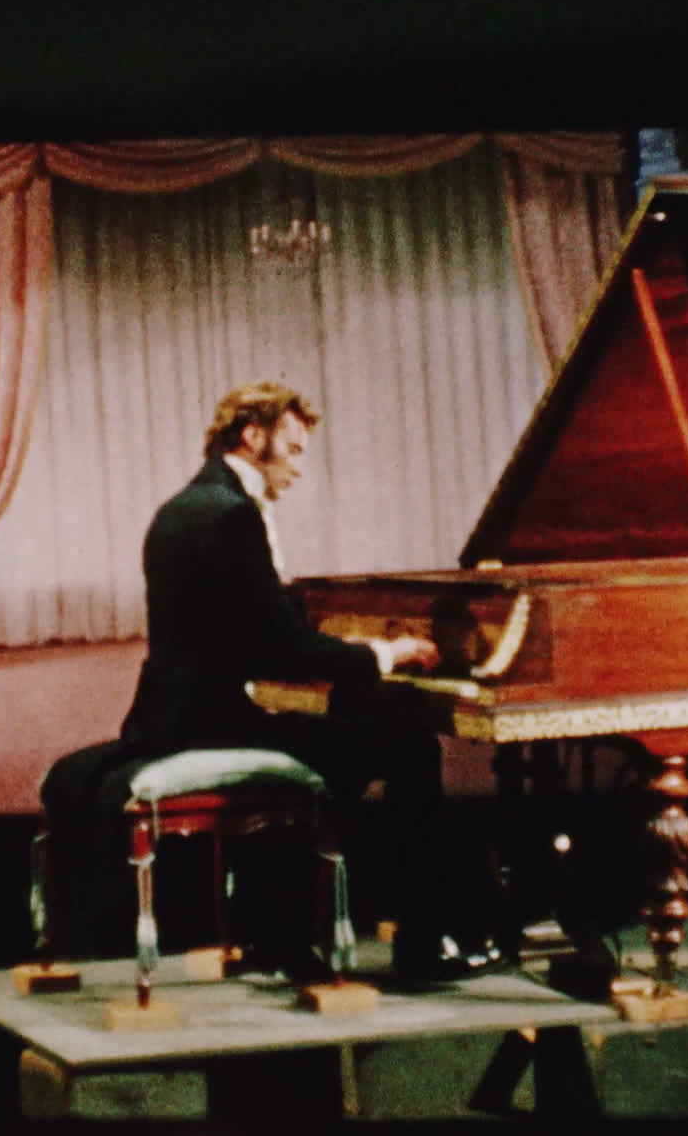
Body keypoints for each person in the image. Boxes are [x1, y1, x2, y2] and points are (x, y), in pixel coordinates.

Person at [45, 381, 502, 986]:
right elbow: (277, 646)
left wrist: (348, 656)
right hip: (210, 728)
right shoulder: (233, 515)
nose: (299, 467)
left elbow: (254, 636)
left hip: (172, 719)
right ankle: (421, 944)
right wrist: (382, 654)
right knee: (407, 747)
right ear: (252, 437)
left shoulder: (183, 507)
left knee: (342, 740)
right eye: (292, 450)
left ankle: (279, 929)